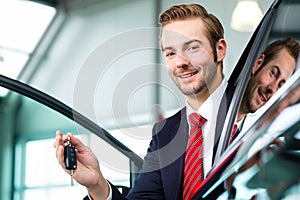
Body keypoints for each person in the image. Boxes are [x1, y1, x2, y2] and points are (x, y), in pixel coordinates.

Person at [55, 3, 229, 200]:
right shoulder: (165, 132)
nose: (180, 62)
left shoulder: (252, 109)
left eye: (192, 48)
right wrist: (98, 185)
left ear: (220, 50)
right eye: (171, 53)